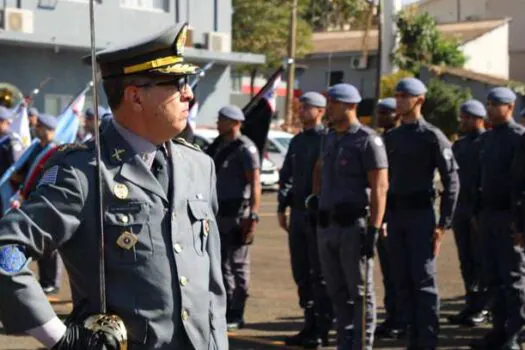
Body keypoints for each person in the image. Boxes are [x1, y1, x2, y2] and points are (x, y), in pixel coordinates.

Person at [0, 23, 228, 350]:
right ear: (135, 96)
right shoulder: (83, 172)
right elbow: (5, 250)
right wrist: (62, 339)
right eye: (178, 83)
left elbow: (213, 286)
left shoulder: (199, 165)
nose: (189, 93)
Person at [384, 78, 459, 350]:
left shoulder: (432, 136)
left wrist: (443, 224)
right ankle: (411, 338)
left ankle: (427, 341)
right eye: (397, 95)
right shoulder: (391, 137)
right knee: (401, 280)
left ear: (420, 100)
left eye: (405, 96)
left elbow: (452, 181)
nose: (399, 100)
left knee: (423, 282)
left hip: (421, 217)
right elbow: (382, 182)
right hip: (396, 216)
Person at [312, 83, 389, 350]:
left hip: (353, 228)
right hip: (327, 226)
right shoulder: (329, 137)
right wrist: (316, 200)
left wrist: (374, 229)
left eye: (334, 103)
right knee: (337, 292)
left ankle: (360, 346)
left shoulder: (368, 140)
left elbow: (380, 186)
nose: (329, 108)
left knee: (359, 295)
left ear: (351, 106)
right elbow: (320, 170)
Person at [470, 87, 525, 350]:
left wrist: (521, 223)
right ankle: (498, 331)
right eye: (488, 103)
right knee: (493, 277)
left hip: (509, 217)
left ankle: (515, 334)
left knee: (514, 280)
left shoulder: (520, 138)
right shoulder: (488, 139)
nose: (490, 108)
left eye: (496, 104)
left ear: (510, 107)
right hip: (489, 215)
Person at [278, 92, 333, 348]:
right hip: (298, 214)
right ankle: (308, 323)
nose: (301, 111)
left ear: (320, 111)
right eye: (300, 107)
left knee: (318, 273)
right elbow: (287, 174)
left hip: (318, 216)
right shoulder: (297, 141)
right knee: (301, 271)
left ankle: (322, 328)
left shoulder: (327, 140)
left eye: (306, 107)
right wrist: (282, 205)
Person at [205, 104, 261, 331]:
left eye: (222, 119)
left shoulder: (245, 148)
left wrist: (254, 215)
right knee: (220, 265)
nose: (218, 123)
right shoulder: (219, 146)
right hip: (218, 215)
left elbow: (255, 182)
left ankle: (238, 311)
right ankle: (226, 308)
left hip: (238, 215)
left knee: (237, 265)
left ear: (234, 123)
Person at [448, 100, 489, 327]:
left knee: (480, 260)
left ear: (479, 119)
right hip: (460, 210)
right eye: (462, 117)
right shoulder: (460, 145)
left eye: (467, 118)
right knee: (466, 261)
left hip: (478, 211)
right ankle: (471, 304)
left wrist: (478, 211)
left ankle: (483, 307)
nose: (463, 121)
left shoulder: (486, 142)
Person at [374, 97, 406, 339]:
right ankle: (393, 316)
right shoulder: (381, 140)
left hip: (398, 215)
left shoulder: (399, 140)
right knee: (388, 272)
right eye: (379, 112)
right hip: (384, 214)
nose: (381, 116)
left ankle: (401, 319)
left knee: (399, 271)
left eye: (386, 112)